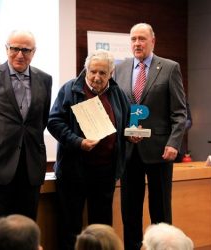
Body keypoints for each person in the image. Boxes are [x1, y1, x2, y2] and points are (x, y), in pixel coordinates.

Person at [0, 30, 52, 242]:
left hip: (30, 165)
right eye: (14, 48)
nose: (20, 54)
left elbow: (41, 120)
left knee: (27, 229)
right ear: (6, 49)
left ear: (34, 52)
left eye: (26, 50)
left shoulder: (44, 79)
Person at [113, 23, 187, 250]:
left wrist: (174, 143)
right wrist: (125, 133)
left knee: (161, 210)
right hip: (129, 151)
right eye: (133, 38)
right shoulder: (121, 67)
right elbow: (119, 108)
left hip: (160, 151)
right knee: (130, 210)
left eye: (142, 39)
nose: (137, 43)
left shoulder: (169, 67)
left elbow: (179, 112)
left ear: (153, 41)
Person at [48, 49, 129, 250]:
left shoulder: (118, 94)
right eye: (92, 71)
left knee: (101, 227)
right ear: (85, 70)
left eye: (102, 73)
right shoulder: (69, 89)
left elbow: (125, 124)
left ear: (111, 73)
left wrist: (131, 134)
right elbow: (54, 122)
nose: (96, 77)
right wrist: (78, 142)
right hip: (74, 170)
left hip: (105, 171)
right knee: (70, 225)